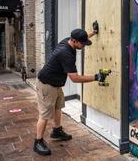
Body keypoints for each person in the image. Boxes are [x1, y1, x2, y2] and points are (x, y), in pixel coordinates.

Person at [33, 27, 107, 156]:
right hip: (47, 85)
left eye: (84, 43)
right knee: (44, 115)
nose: (84, 46)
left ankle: (56, 131)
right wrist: (96, 77)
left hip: (56, 84)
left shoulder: (68, 40)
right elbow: (75, 78)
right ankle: (38, 141)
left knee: (58, 107)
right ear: (74, 41)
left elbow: (83, 38)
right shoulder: (65, 53)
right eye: (82, 44)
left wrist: (93, 33)